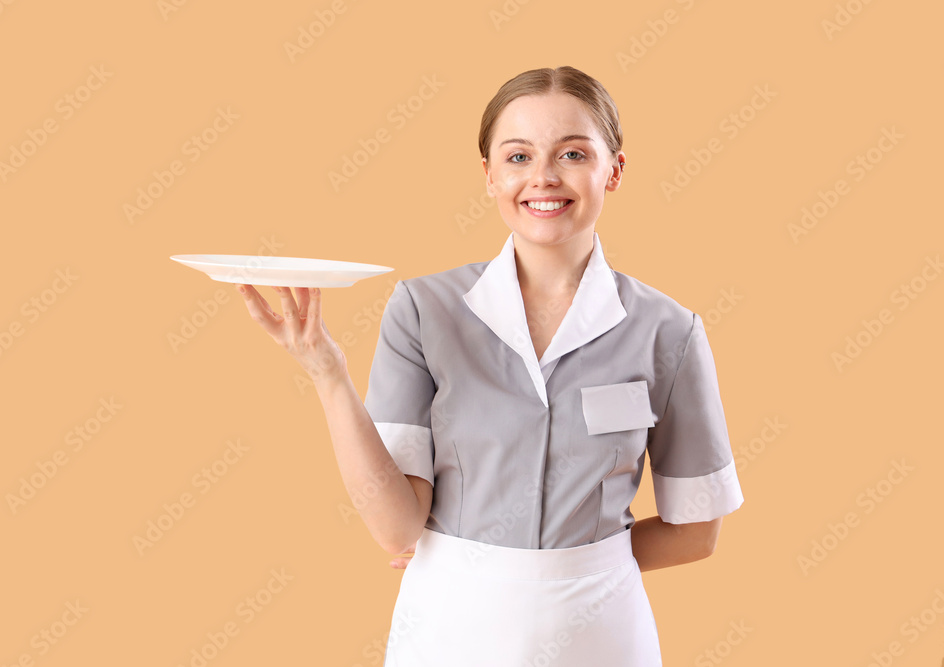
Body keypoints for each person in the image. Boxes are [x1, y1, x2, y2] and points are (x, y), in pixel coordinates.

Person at [234, 65, 744, 667]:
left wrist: (572, 563)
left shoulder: (669, 331)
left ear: (615, 169)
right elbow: (397, 529)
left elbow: (696, 532)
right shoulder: (424, 311)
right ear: (489, 175)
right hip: (450, 632)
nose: (544, 178)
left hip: (601, 634)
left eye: (573, 153)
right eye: (519, 156)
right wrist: (325, 370)